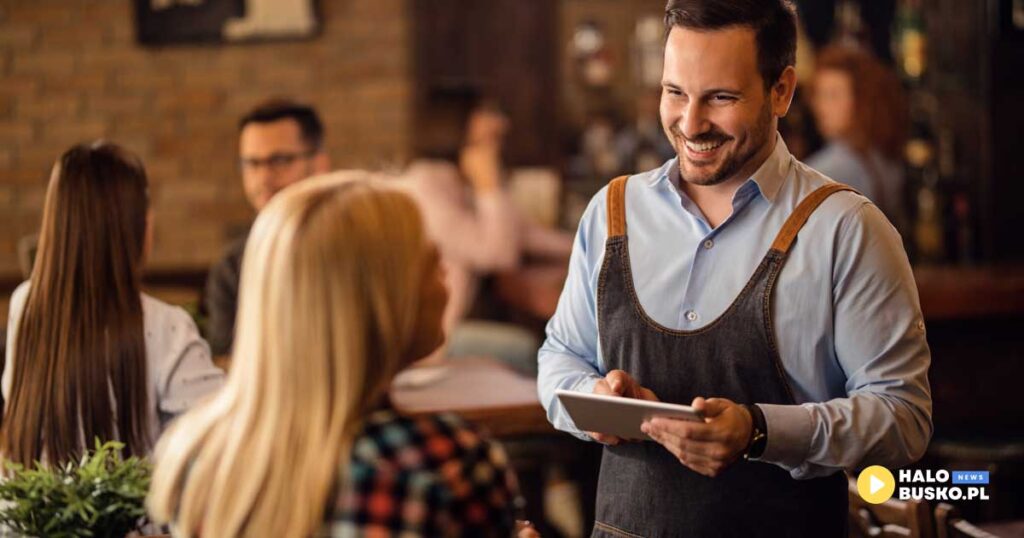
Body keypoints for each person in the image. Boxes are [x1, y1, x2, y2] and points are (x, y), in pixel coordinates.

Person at [537, 1, 932, 536]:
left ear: (782, 91)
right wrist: (596, 401)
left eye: (720, 98)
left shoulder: (847, 230)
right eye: (675, 92)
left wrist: (760, 432)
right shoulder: (612, 213)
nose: (691, 123)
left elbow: (903, 416)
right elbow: (560, 356)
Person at [149, 173, 530, 537]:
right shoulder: (446, 463)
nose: (445, 281)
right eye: (431, 264)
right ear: (378, 303)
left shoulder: (196, 454)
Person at [1, 142, 225, 465]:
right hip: (133, 516)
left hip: (26, 514)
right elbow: (214, 445)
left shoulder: (24, 304)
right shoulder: (167, 326)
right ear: (135, 224)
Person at [402, 88, 572, 375]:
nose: (501, 123)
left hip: (456, 324)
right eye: (489, 113)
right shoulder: (424, 186)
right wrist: (489, 183)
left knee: (555, 342)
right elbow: (499, 254)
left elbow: (529, 235)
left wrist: (610, 240)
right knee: (529, 350)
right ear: (456, 122)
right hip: (432, 341)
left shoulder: (460, 181)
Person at [203, 97, 330, 356]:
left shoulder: (354, 247)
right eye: (251, 163)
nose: (263, 178)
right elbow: (230, 364)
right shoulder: (232, 267)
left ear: (319, 166)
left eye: (280, 161)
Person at [807, 44, 909, 230]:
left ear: (862, 99)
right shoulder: (887, 159)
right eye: (819, 95)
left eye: (833, 95)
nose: (821, 107)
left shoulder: (823, 171)